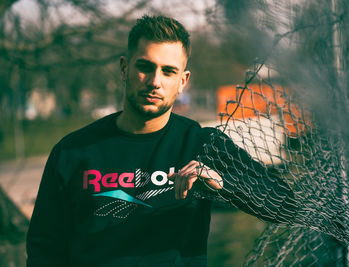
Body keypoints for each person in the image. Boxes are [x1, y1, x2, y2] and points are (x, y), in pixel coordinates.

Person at [27, 15, 296, 267]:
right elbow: (44, 248)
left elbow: (285, 206)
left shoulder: (202, 144)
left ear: (182, 81)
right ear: (124, 68)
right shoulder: (72, 151)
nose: (155, 82)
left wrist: (222, 185)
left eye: (168, 71)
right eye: (145, 67)